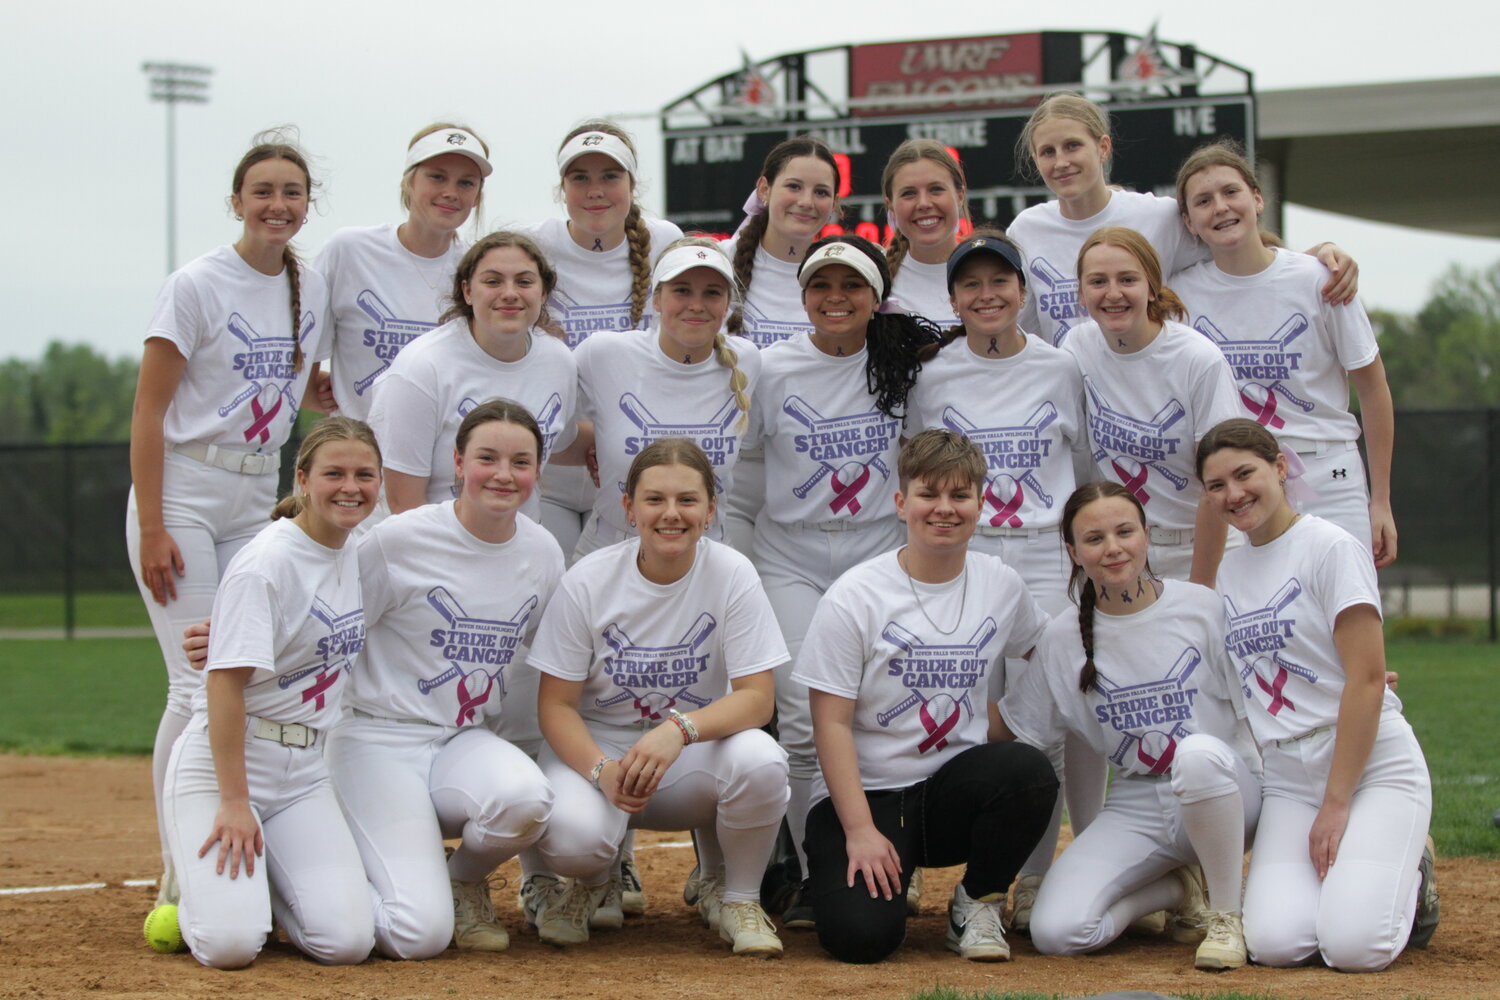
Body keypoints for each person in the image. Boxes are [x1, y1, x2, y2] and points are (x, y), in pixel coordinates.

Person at [128, 131, 331, 910]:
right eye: (264, 192)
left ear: (308, 204)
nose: (278, 205)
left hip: (257, 499)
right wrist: (152, 524)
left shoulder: (308, 286)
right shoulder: (196, 284)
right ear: (238, 202)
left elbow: (304, 386)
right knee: (194, 681)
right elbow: (148, 410)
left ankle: (257, 856)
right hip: (183, 488)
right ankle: (181, 871)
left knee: (247, 672)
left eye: (292, 193)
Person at [795, 429, 1059, 964]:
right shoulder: (856, 595)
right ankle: (871, 873)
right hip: (868, 798)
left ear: (980, 505)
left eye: (960, 496)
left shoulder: (999, 583)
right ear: (901, 503)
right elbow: (830, 724)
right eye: (928, 494)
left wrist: (1010, 719)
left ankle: (977, 900)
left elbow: (1051, 652)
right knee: (861, 939)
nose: (944, 509)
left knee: (1026, 771)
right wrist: (860, 831)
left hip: (950, 793)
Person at [524, 439, 790, 957]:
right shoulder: (589, 579)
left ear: (711, 510)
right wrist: (603, 770)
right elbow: (554, 707)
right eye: (654, 500)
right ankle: (593, 881)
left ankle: (736, 896)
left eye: (688, 500)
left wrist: (678, 729)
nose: (672, 514)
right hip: (599, 750)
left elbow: (758, 700)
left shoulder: (733, 573)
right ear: (628, 507)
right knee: (577, 840)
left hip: (686, 753)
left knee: (763, 762)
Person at [905, 230, 1101, 930]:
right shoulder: (933, 375)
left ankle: (1035, 877)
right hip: (968, 551)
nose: (987, 295)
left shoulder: (1062, 367)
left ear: (1023, 291)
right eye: (971, 285)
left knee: (1040, 722)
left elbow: (1083, 468)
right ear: (954, 299)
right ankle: (928, 866)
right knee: (958, 707)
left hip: (1045, 554)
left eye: (1000, 282)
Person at [322, 400, 564, 958]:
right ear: (457, 463)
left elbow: (563, 653)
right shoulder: (397, 539)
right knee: (418, 935)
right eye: (487, 458)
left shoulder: (542, 550)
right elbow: (325, 617)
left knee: (526, 799)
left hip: (461, 736)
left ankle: (460, 881)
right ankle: (313, 888)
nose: (504, 474)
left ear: (536, 472)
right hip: (377, 738)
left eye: (520, 462)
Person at [1197, 418, 1436, 971]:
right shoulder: (1229, 571)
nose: (1234, 494)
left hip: (1369, 765)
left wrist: (1335, 805)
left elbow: (1369, 680)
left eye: (1245, 473)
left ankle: (1413, 876)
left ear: (1280, 467)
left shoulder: (1330, 547)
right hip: (1288, 777)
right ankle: (1362, 876)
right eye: (1216, 485)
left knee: (1355, 948)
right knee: (1277, 946)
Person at [997, 480, 1263, 971]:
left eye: (1125, 531)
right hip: (1138, 801)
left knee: (1197, 756)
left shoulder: (1203, 607)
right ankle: (1176, 887)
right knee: (1057, 932)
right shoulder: (1061, 639)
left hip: (1225, 790)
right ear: (1073, 552)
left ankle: (1227, 915)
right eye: (1094, 539)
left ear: (1147, 535)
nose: (1113, 548)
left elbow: (1266, 700)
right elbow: (1022, 731)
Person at [748, 233, 935, 926]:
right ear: (801, 295)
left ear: (875, 296)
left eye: (851, 285)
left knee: (881, 711)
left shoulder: (905, 368)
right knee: (800, 716)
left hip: (877, 552)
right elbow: (741, 471)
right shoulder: (769, 369)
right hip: (791, 553)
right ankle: (811, 870)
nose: (835, 297)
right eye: (820, 285)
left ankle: (896, 859)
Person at [160, 418, 381, 969]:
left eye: (364, 474)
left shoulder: (360, 549)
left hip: (303, 774)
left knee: (347, 942)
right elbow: (224, 685)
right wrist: (235, 802)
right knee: (230, 947)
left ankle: (261, 898)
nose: (350, 487)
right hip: (226, 770)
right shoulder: (267, 562)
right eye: (334, 473)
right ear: (302, 480)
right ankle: (205, 904)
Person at [1172, 142, 1396, 567]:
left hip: (1327, 472)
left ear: (1256, 199)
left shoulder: (1320, 279)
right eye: (1203, 201)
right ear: (1189, 221)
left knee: (1344, 616)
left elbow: (1372, 386)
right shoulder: (1179, 294)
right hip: (1239, 484)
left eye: (1230, 192)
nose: (1220, 207)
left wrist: (1380, 500)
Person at [1008, 92, 1357, 348]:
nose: (1061, 162)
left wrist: (1320, 254)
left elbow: (1243, 256)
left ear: (1102, 147)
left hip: (1147, 394)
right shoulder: (1026, 230)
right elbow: (1022, 328)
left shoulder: (1158, 216)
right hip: (1074, 400)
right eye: (1047, 152)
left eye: (1072, 146)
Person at [523, 120, 684, 560]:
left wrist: (612, 434)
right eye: (580, 178)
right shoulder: (537, 244)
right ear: (562, 188)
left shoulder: (664, 241)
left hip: (632, 464)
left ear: (633, 184)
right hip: (552, 466)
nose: (595, 190)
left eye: (610, 177)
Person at [1064, 227, 1241, 584]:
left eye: (1127, 279)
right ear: (1081, 293)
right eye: (1098, 282)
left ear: (1152, 285)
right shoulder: (1077, 346)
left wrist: (1201, 586)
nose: (1113, 294)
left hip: (1199, 548)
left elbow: (1219, 483)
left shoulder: (1198, 360)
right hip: (1120, 555)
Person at [366, 231, 581, 522]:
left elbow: (561, 445)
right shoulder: (421, 367)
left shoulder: (559, 361)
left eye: (524, 281)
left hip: (516, 547)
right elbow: (403, 501)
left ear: (543, 293)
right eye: (492, 281)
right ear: (467, 291)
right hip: (435, 549)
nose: (509, 293)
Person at [571, 237, 756, 560]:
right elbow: (553, 432)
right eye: (682, 290)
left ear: (727, 304)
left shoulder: (747, 360)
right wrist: (596, 444)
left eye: (712, 293)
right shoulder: (604, 353)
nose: (696, 305)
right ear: (656, 299)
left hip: (706, 552)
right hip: (612, 548)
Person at [313, 122, 490, 422]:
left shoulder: (482, 268)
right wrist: (323, 396)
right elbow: (303, 348)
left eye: (466, 183)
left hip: (445, 456)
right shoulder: (350, 250)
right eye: (437, 177)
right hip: (358, 453)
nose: (450, 192)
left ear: (477, 196)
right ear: (408, 182)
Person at [726, 135, 842, 348]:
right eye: (794, 187)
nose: (806, 202)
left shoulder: (847, 274)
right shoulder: (717, 263)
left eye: (821, 192)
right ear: (764, 189)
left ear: (834, 203)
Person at [882, 139, 969, 326]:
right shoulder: (873, 279)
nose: (924, 203)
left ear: (960, 196)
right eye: (908, 193)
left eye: (936, 189)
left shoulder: (993, 269)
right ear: (891, 206)